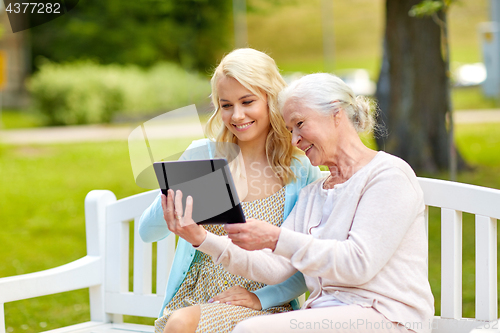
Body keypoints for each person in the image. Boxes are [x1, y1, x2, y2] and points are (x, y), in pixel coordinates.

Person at [165, 73, 435, 333]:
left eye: (300, 124)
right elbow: (274, 266)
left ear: (336, 113)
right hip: (327, 316)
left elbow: (357, 264)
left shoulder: (387, 175)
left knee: (250, 329)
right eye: (290, 130)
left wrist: (276, 237)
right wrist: (202, 238)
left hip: (388, 318)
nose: (294, 139)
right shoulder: (313, 194)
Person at [138, 48, 321, 333]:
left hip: (266, 306)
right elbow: (147, 232)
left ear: (271, 99)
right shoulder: (206, 157)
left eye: (247, 101)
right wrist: (174, 190)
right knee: (181, 322)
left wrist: (260, 298)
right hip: (195, 299)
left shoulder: (299, 169)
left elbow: (305, 260)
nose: (237, 115)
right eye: (226, 105)